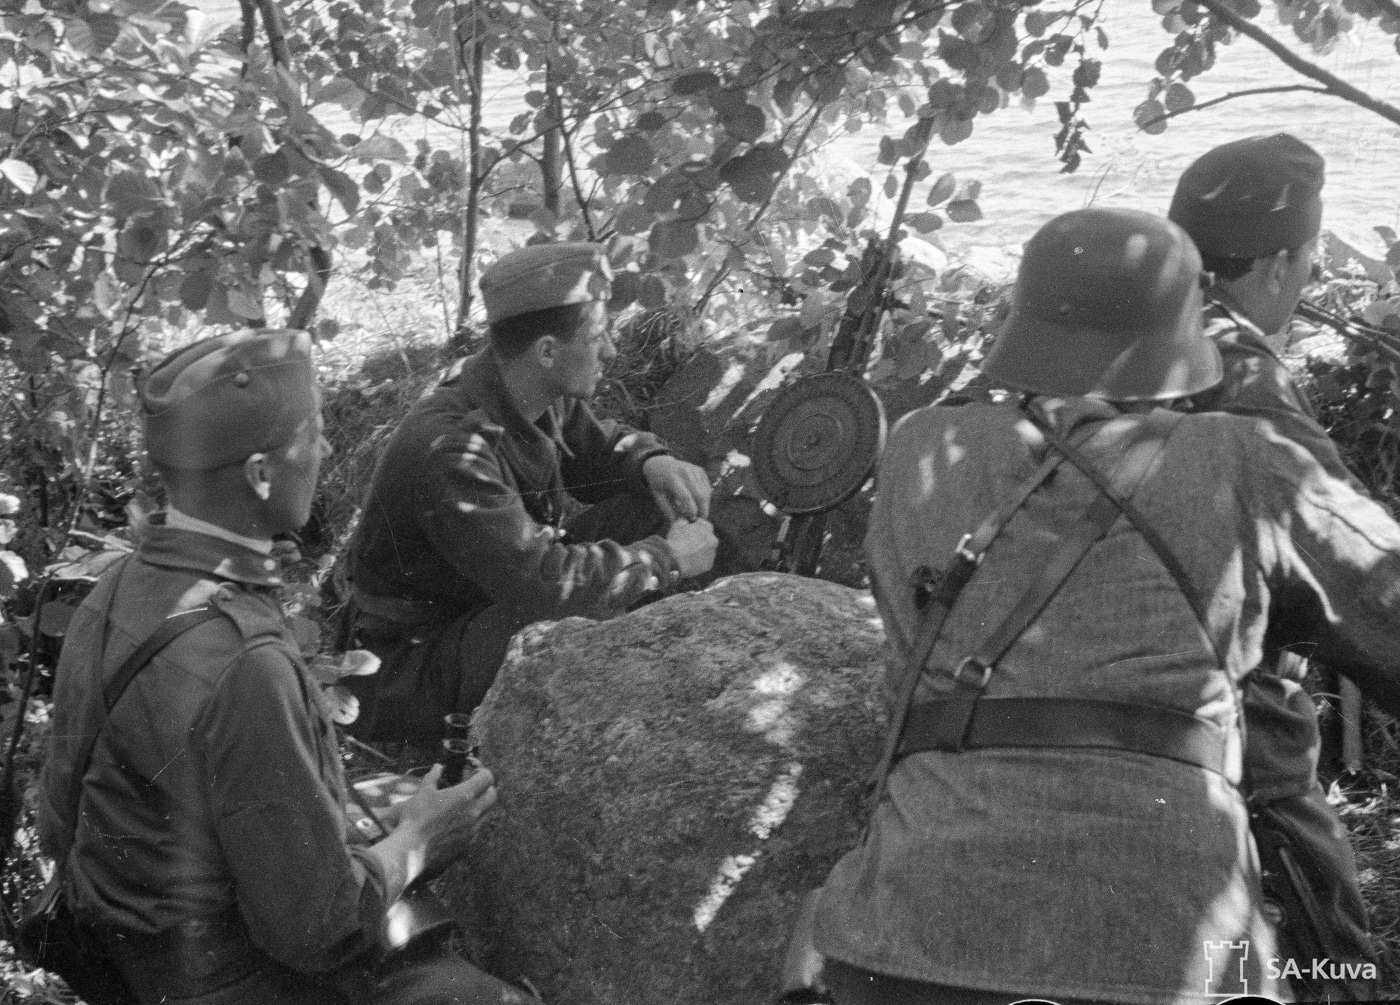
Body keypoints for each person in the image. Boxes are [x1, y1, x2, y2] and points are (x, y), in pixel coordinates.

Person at [809, 208, 1400, 1003]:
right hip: (1169, 952)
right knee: (1333, 967)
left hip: (902, 940)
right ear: (1186, 339)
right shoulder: (1246, 463)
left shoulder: (918, 445)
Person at [38, 330, 532, 1004]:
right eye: (315, 433)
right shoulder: (245, 661)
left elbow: (61, 823)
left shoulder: (113, 588)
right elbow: (315, 929)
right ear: (261, 475)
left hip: (128, 963)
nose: (326, 451)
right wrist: (421, 837)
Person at [340, 242, 717, 745]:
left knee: (650, 502)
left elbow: (597, 452)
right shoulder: (454, 449)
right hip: (406, 666)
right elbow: (544, 585)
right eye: (598, 336)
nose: (610, 351)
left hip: (475, 610)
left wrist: (652, 460)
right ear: (546, 351)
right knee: (563, 625)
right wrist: (663, 559)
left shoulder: (522, 388)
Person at [1171, 132, 1376, 997]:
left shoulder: (1085, 334)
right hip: (1228, 736)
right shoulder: (1245, 377)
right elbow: (1351, 576)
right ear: (1287, 259)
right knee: (1333, 954)